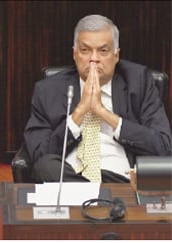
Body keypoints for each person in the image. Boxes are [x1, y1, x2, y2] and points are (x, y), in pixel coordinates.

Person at [24, 14, 171, 183]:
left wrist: (103, 112)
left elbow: (163, 147)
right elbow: (39, 154)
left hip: (118, 178)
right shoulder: (48, 90)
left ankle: (90, 194)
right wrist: (79, 112)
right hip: (70, 176)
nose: (94, 59)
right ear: (75, 54)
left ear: (116, 56)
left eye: (103, 51)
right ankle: (98, 195)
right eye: (85, 50)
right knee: (46, 167)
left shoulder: (139, 82)